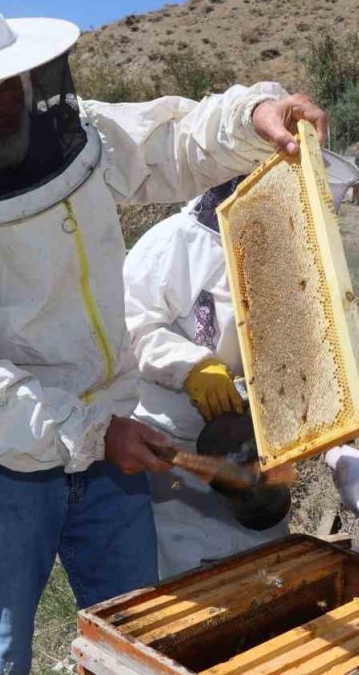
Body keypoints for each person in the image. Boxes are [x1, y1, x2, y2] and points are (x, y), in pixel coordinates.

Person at [0, 0, 326, 675]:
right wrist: (95, 434)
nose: (5, 101)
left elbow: (169, 144)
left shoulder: (72, 137)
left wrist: (249, 117)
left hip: (109, 445)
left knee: (136, 631)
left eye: (10, 80)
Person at [123, 177, 290, 578]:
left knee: (265, 573)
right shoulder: (170, 244)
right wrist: (191, 365)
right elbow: (130, 328)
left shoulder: (288, 249)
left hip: (257, 443)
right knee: (186, 585)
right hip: (174, 449)